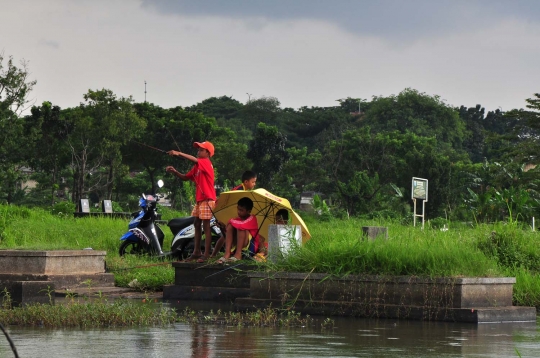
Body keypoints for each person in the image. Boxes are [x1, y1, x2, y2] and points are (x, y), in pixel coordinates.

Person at [166, 141, 216, 263]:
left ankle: (206, 254)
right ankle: (196, 252)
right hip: (200, 200)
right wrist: (175, 172)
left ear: (208, 153)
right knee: (197, 224)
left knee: (206, 226)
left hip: (207, 199)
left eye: (201, 150)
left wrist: (178, 153)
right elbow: (185, 177)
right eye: (198, 149)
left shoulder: (205, 163)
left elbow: (194, 160)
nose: (198, 151)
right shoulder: (197, 167)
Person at [209, 170, 257, 258]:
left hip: (234, 213)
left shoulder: (244, 190)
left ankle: (215, 254)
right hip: (226, 212)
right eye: (253, 182)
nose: (254, 184)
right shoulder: (240, 191)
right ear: (246, 182)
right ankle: (214, 254)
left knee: (225, 236)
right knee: (225, 235)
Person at [217, 197, 261, 263]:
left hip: (250, 248)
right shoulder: (237, 219)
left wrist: (230, 221)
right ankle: (227, 253)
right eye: (238, 209)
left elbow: (241, 225)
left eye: (241, 210)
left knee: (240, 228)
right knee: (230, 226)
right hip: (237, 246)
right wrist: (223, 227)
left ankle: (238, 254)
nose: (238, 212)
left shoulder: (252, 218)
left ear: (248, 211)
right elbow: (229, 231)